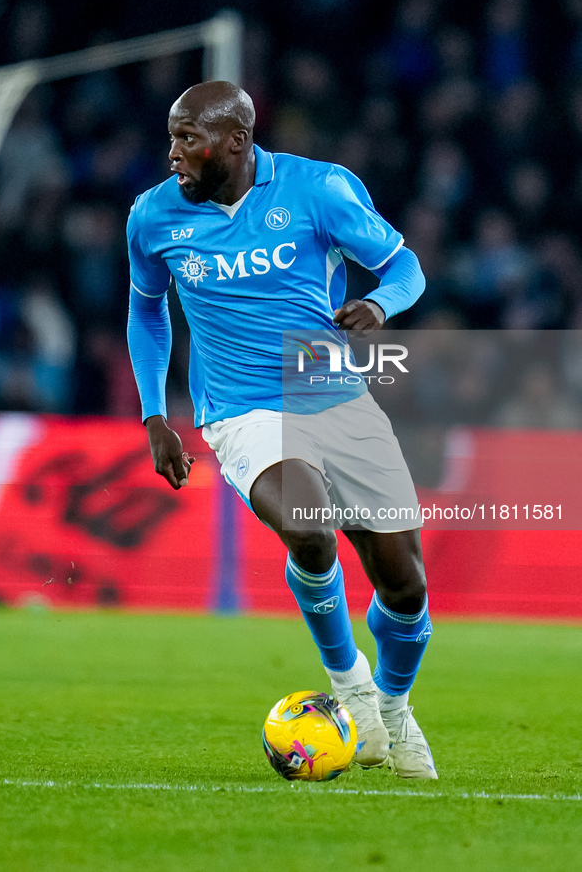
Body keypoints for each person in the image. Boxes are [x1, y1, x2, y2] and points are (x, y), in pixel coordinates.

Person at [127, 80, 437, 779]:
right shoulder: (152, 216)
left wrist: (380, 304)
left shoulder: (319, 190)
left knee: (404, 584)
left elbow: (404, 266)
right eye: (171, 136)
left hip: (333, 397)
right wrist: (154, 413)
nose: (172, 153)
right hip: (241, 410)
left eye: (186, 138)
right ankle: (350, 683)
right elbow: (146, 311)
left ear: (234, 141)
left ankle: (390, 708)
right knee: (308, 523)